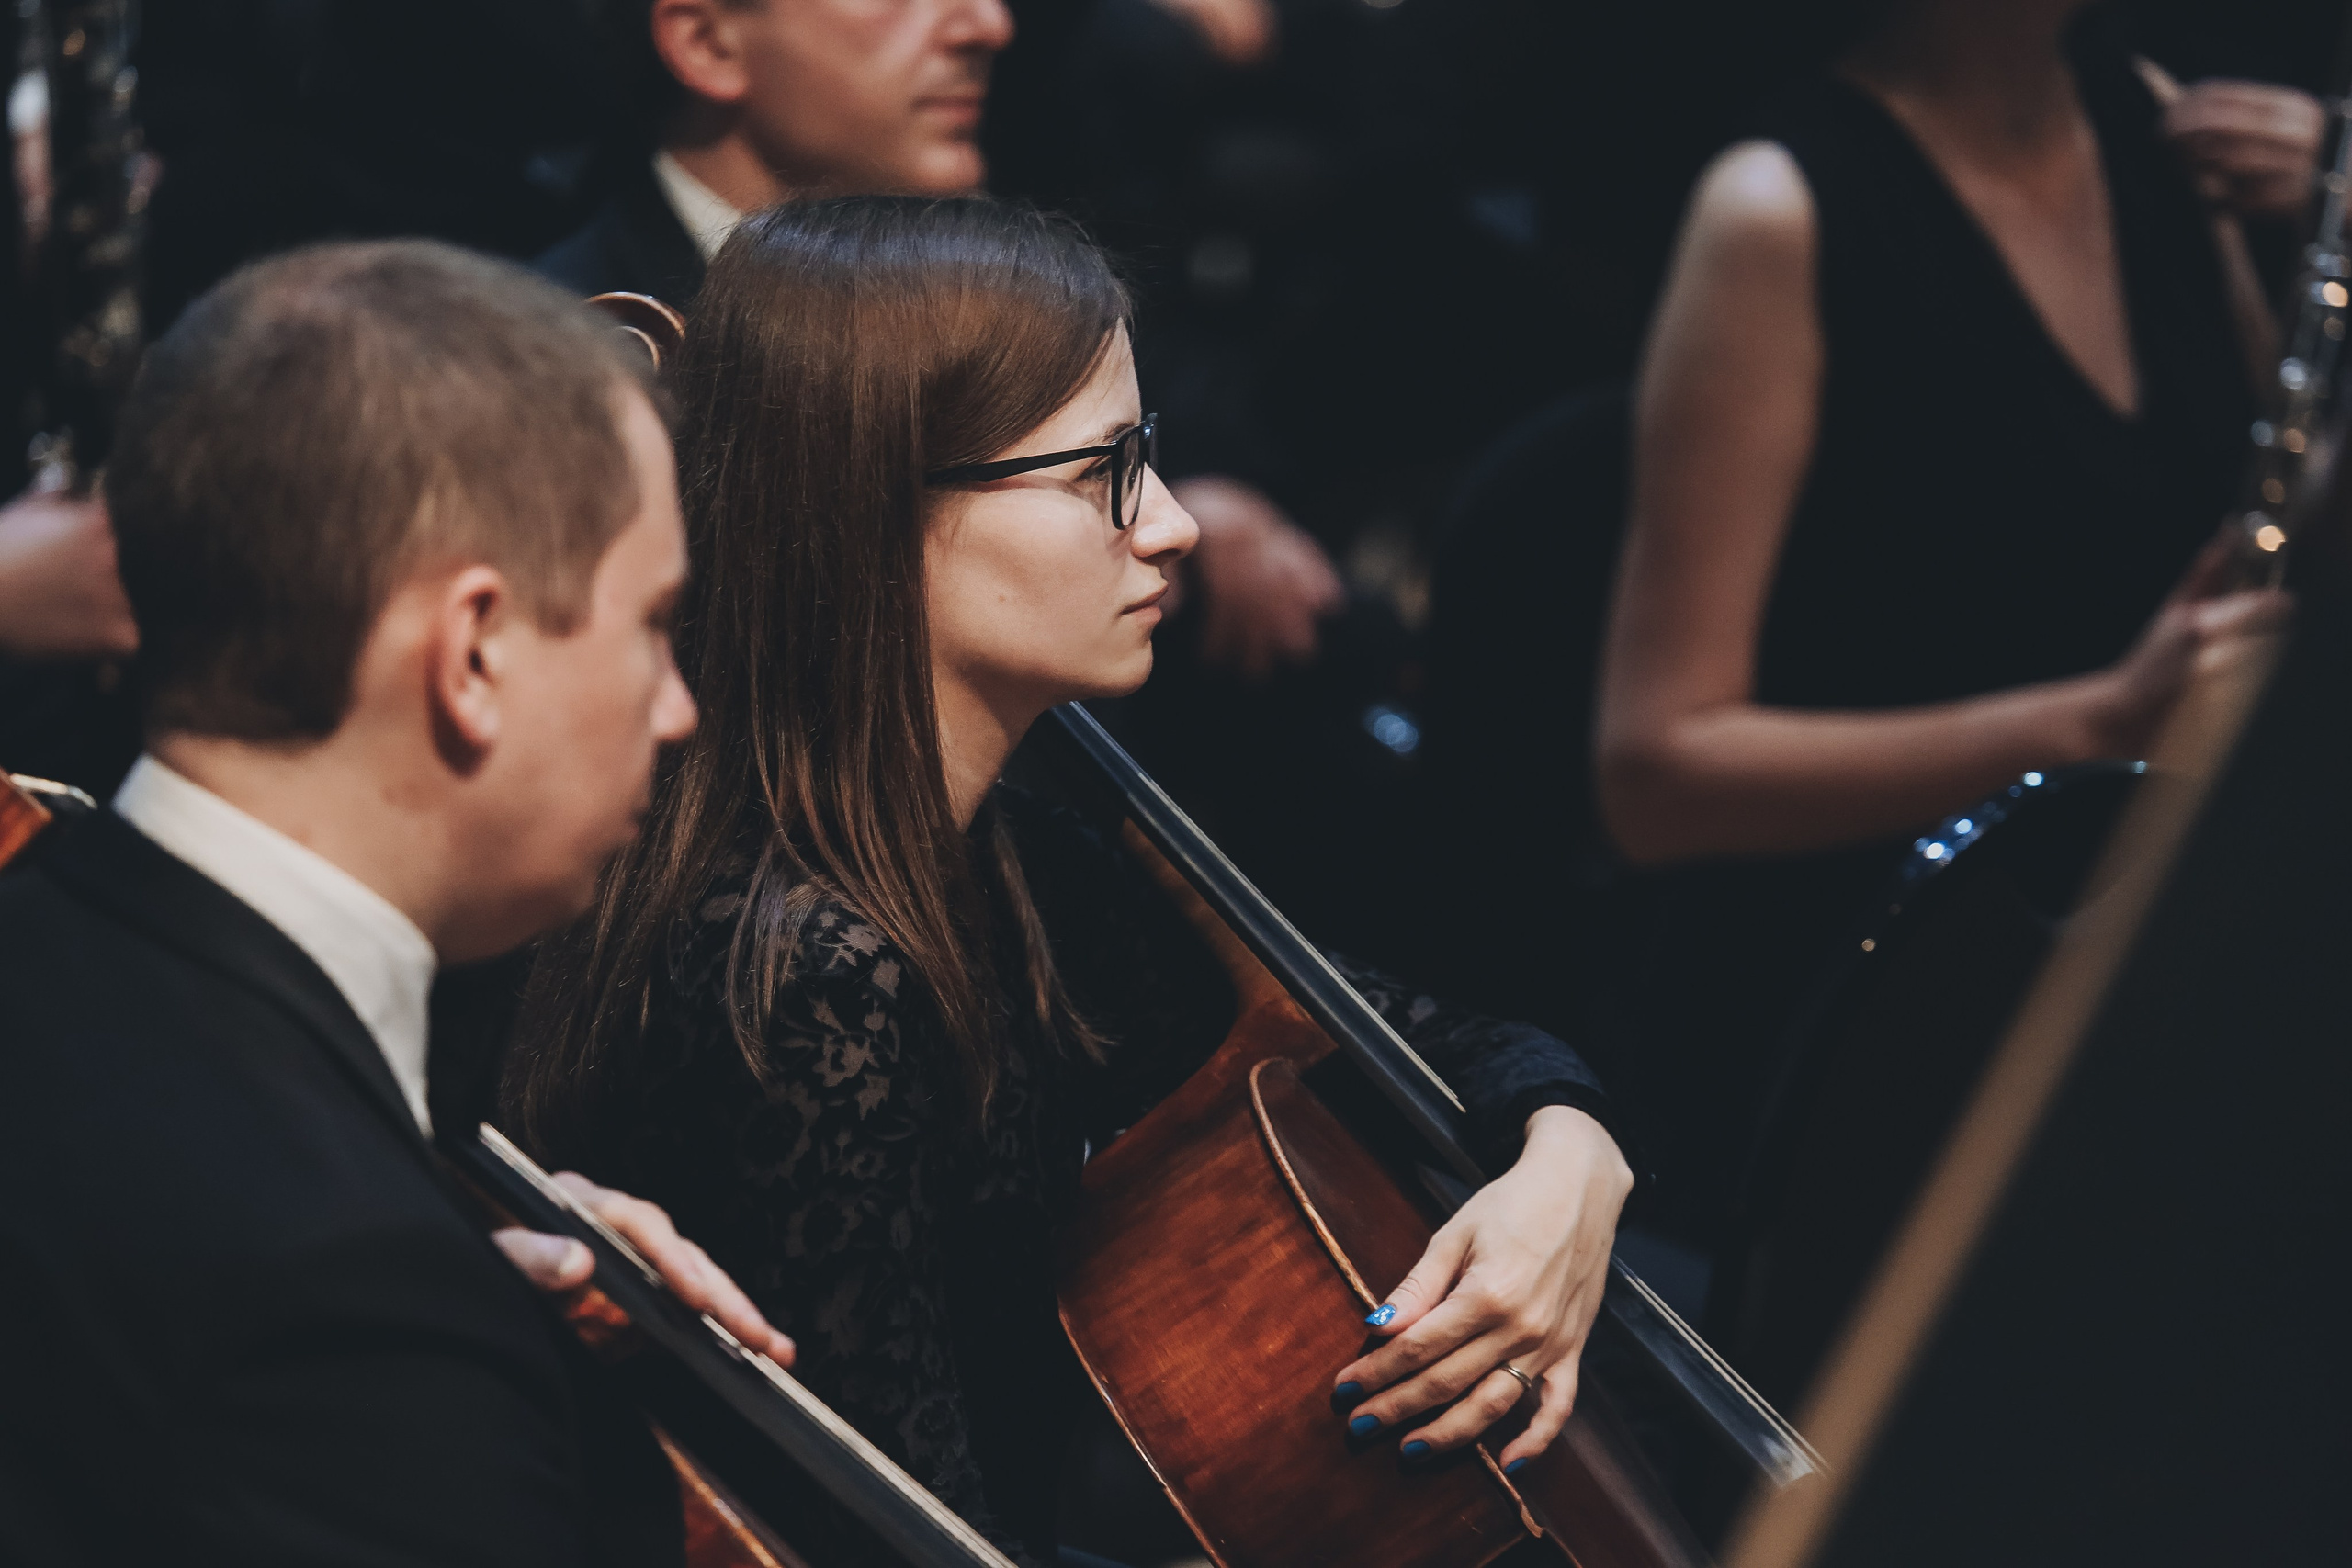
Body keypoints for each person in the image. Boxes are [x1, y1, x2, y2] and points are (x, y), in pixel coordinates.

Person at [503, 196, 1635, 1566]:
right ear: (876, 507)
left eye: (1149, 454)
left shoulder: (1011, 869)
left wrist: (1571, 1156)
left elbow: (1402, 1040)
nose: (1173, 525)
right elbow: (902, 1538)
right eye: (1104, 470)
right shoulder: (804, 972)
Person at [0, 239, 796, 1566]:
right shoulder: (358, 1306)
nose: (679, 709)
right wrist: (465, 1356)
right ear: (472, 652)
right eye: (655, 625)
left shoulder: (46, 931)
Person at [1590, 0, 2299, 1248]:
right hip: (1861, 1041)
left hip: (2106, 981)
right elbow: (1657, 774)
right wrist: (2101, 721)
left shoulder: (2147, 111)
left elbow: (2259, 529)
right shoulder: (1775, 209)